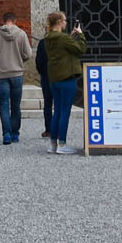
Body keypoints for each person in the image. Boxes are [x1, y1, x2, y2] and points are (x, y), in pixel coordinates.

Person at [37, 11, 87, 153]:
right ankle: (62, 144)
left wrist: (70, 37)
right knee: (65, 112)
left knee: (57, 111)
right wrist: (81, 35)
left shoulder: (48, 38)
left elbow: (62, 50)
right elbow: (81, 49)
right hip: (66, 77)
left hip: (54, 79)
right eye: (64, 20)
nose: (66, 23)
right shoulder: (62, 38)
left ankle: (53, 144)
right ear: (59, 22)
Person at [0, 11, 33, 145]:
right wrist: (20, 60)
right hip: (17, 73)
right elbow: (28, 54)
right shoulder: (22, 34)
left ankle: (6, 134)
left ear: (3, 21)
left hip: (1, 73)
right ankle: (15, 134)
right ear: (15, 20)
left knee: (4, 105)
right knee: (16, 105)